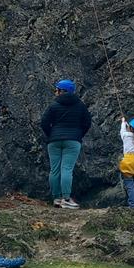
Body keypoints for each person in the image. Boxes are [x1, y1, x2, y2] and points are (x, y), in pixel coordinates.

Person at [41, 79, 92, 209]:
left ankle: (56, 198)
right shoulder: (80, 105)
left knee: (55, 169)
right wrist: (78, 135)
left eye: (57, 89)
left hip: (54, 140)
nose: (55, 92)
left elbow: (44, 123)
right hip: (73, 140)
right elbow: (87, 123)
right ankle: (66, 198)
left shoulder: (53, 105)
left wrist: (51, 134)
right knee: (67, 169)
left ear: (61, 91)